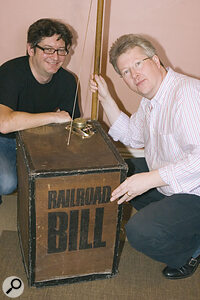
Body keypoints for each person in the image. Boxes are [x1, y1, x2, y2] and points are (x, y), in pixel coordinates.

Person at [90, 34, 200, 279]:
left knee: (140, 231)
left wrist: (150, 180)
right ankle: (176, 219)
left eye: (138, 64)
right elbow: (133, 136)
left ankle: (191, 251)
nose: (134, 74)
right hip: (173, 183)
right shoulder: (151, 99)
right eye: (126, 72)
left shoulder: (186, 95)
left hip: (196, 190)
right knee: (123, 173)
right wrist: (106, 98)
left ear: (156, 60)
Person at [0, 18, 80, 204]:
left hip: (38, 140)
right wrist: (53, 116)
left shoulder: (68, 81)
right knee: (6, 182)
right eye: (48, 49)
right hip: (4, 140)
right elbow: (4, 124)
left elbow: (71, 125)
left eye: (61, 50)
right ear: (31, 49)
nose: (55, 57)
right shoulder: (10, 73)